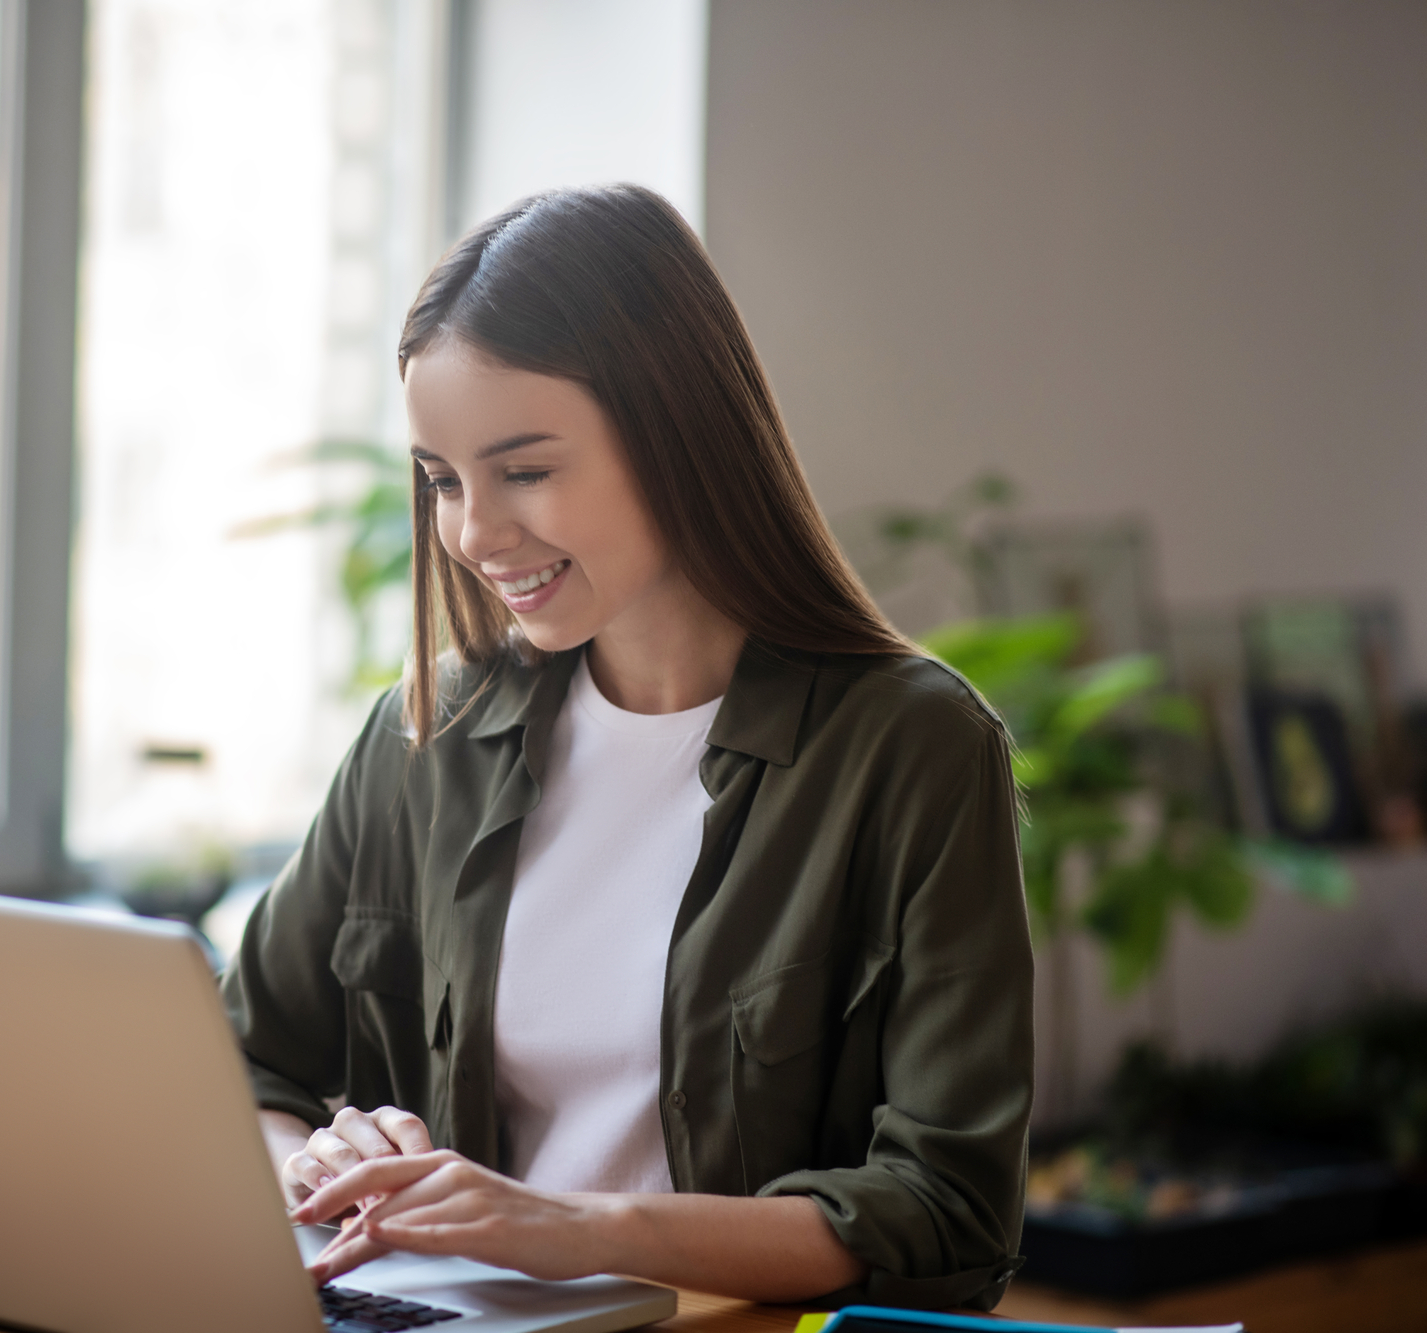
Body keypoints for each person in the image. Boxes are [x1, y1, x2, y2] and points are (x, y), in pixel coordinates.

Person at [221, 184, 1033, 1310]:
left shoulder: (912, 750)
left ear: (676, 432)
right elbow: (239, 1062)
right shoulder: (428, 731)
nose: (471, 533)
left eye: (526, 469)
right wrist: (313, 1168)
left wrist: (572, 1228)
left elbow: (945, 1209)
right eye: (442, 480)